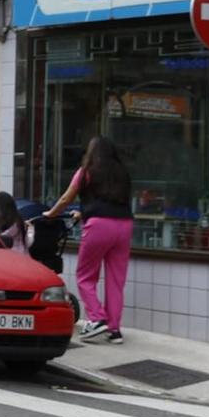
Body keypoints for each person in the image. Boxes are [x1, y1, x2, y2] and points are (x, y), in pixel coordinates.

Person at [51, 135, 134, 344]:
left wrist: (50, 214)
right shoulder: (122, 173)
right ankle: (114, 330)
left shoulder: (86, 171)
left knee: (85, 275)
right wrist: (83, 213)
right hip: (124, 225)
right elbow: (110, 200)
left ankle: (97, 318)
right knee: (116, 281)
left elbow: (66, 198)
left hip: (99, 226)